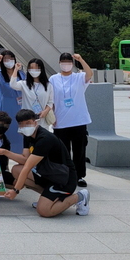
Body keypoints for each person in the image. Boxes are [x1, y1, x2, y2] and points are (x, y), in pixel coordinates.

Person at [0, 109, 90, 218]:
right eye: (21, 124)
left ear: (35, 122)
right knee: (16, 170)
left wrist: (15, 191)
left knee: (44, 211)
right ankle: (48, 198)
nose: (25, 126)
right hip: (48, 174)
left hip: (63, 178)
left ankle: (80, 196)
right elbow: (25, 159)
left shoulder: (45, 139)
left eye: (28, 123)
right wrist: (5, 152)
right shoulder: (28, 135)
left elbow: (27, 167)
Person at [50, 52, 94, 187]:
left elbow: (90, 74)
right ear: (59, 63)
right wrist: (51, 116)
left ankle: (79, 175)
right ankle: (65, 174)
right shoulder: (53, 79)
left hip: (78, 120)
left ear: (72, 64)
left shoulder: (79, 77)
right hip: (61, 121)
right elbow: (50, 98)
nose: (66, 64)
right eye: (63, 62)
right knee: (63, 151)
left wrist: (80, 59)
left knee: (79, 150)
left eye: (68, 62)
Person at [0, 49, 25, 153]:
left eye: (11, 58)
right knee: (8, 128)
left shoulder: (21, 74)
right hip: (7, 104)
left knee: (21, 129)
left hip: (20, 104)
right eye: (6, 59)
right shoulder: (0, 74)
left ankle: (21, 152)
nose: (9, 61)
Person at [10, 58, 54, 131]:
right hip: (27, 121)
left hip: (42, 120)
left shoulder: (48, 85)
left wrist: (45, 112)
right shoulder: (24, 84)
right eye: (31, 68)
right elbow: (12, 84)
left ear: (41, 69)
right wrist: (16, 69)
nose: (34, 70)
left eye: (37, 68)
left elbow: (50, 102)